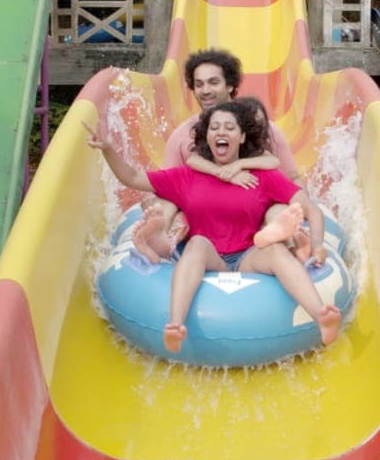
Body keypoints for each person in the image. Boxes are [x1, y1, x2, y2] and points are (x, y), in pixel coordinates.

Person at [86, 101, 340, 354]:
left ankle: (321, 316)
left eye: (229, 128)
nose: (221, 132)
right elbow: (132, 178)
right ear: (206, 136)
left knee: (275, 250)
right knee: (196, 244)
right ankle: (175, 324)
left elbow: (310, 208)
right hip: (210, 256)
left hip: (248, 255)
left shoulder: (263, 176)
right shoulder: (186, 176)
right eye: (214, 127)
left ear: (241, 137)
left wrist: (318, 245)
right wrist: (108, 149)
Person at [132, 48, 303, 261]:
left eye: (214, 83)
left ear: (230, 85)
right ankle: (158, 246)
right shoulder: (183, 136)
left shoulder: (261, 128)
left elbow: (290, 177)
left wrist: (302, 208)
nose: (205, 90)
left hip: (251, 214)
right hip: (201, 217)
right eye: (199, 84)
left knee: (278, 209)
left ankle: (293, 247)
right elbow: (167, 186)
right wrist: (154, 208)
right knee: (166, 204)